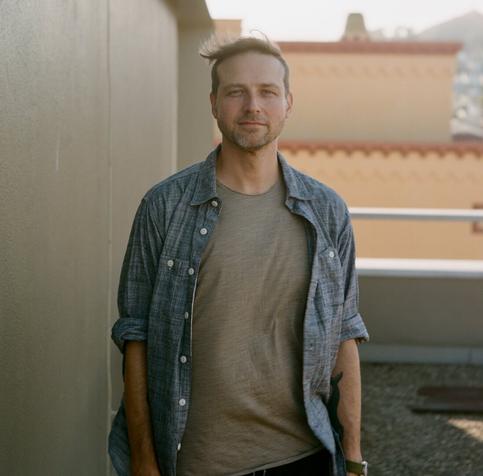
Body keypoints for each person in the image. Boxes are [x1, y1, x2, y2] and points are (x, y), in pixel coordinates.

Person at [108, 35, 369, 476]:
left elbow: (345, 334)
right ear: (214, 103)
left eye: (267, 91)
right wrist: (144, 460)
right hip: (195, 461)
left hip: (303, 456)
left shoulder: (327, 211)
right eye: (236, 92)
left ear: (288, 102)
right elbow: (137, 337)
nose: (253, 105)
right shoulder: (164, 207)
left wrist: (354, 459)